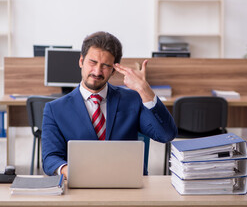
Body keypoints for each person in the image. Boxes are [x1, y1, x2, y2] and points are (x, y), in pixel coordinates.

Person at [41, 31, 177, 178]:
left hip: (127, 183)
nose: (97, 71)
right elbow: (50, 158)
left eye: (105, 65)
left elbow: (166, 135)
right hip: (80, 184)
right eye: (92, 62)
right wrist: (71, 172)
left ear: (113, 70)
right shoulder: (55, 109)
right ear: (81, 61)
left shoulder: (132, 99)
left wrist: (144, 90)